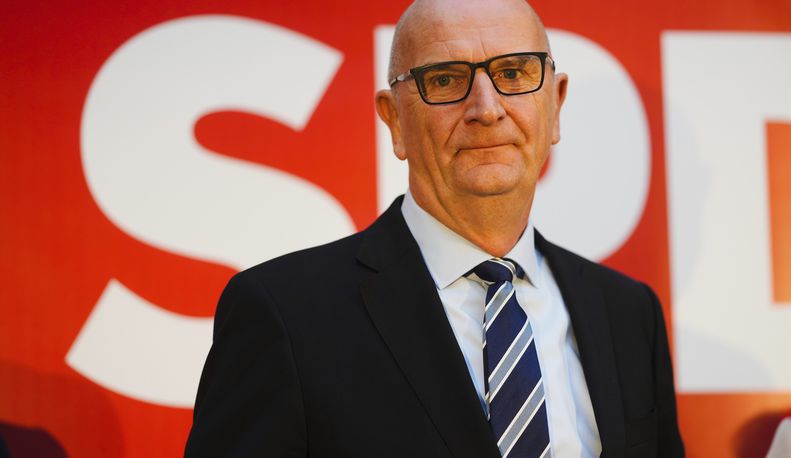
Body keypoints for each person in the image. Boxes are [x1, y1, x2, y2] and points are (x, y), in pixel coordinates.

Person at [185, 0, 685, 456]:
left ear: (555, 105)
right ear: (395, 120)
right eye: (445, 80)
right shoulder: (284, 315)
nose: (486, 109)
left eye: (513, 73)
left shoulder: (628, 313)